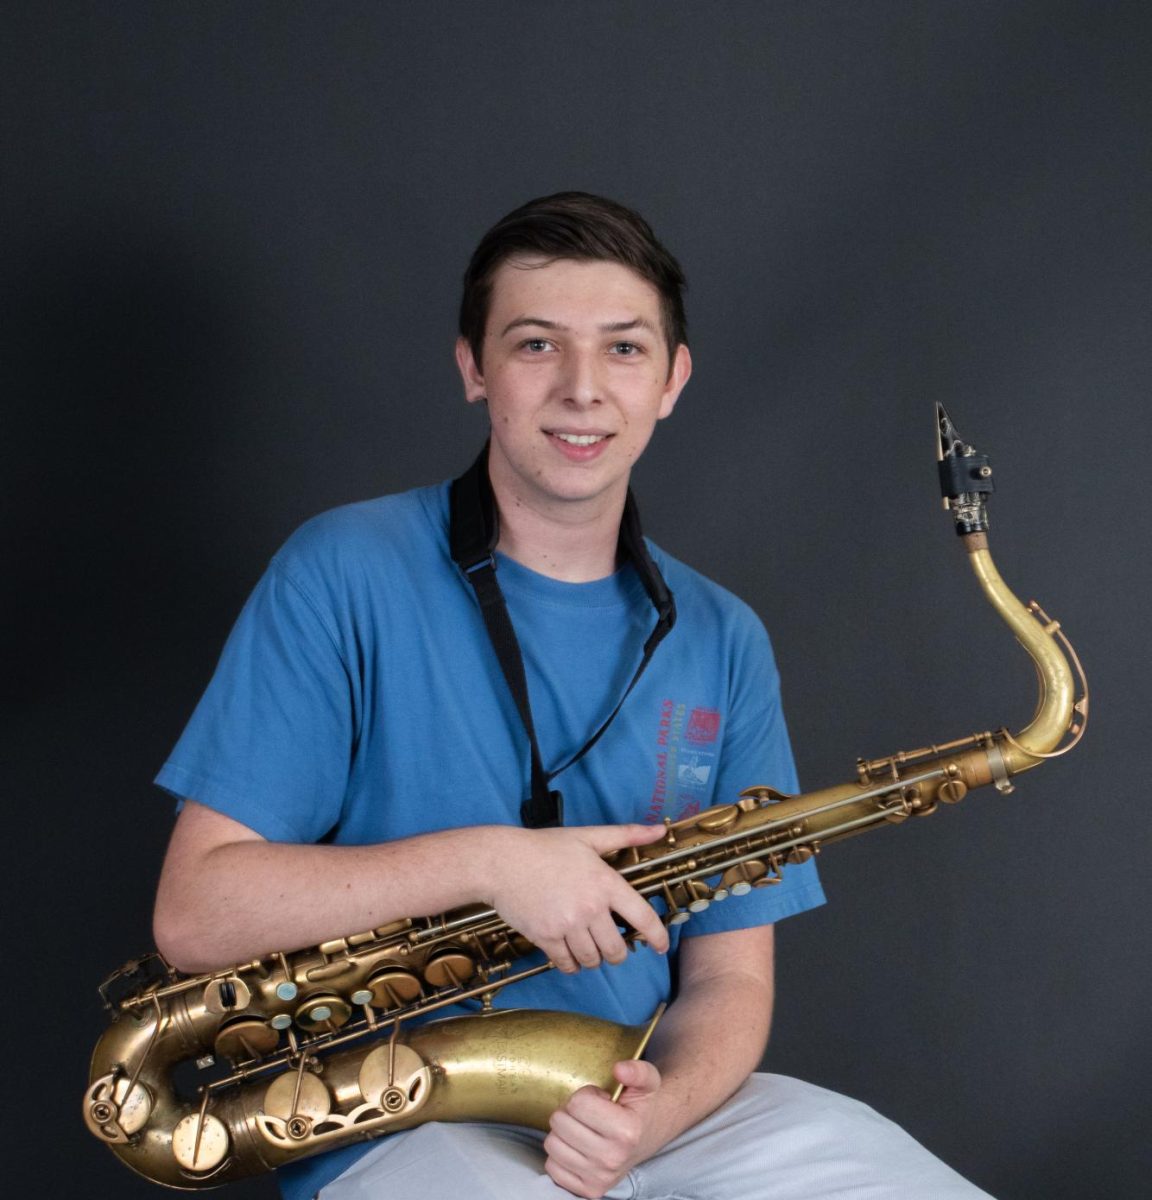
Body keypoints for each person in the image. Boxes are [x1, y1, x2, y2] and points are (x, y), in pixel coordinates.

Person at [153, 192, 990, 1200]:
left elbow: (729, 978)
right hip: (404, 1114)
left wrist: (659, 1111)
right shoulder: (342, 570)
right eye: (537, 344)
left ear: (673, 380)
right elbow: (196, 917)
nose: (582, 389)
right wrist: (492, 864)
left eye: (625, 349)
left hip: (644, 1102)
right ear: (474, 367)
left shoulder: (725, 637)